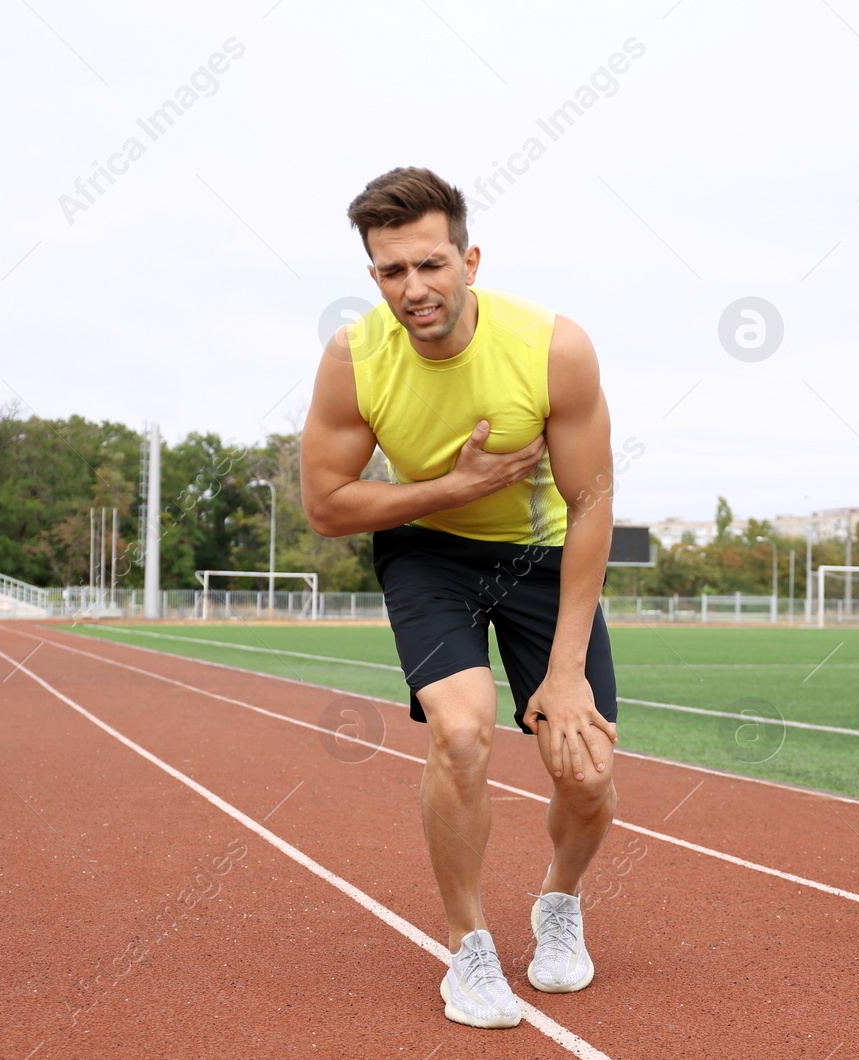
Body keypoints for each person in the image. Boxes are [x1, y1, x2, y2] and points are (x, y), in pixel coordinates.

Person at [300, 166, 620, 1029]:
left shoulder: (554, 346)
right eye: (393, 271)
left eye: (432, 265)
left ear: (470, 259)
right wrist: (447, 488)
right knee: (462, 728)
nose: (415, 288)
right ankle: (469, 947)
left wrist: (564, 677)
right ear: (373, 277)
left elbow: (593, 506)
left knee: (584, 768)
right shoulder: (355, 357)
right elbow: (327, 505)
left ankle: (558, 901)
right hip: (429, 553)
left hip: (542, 553)